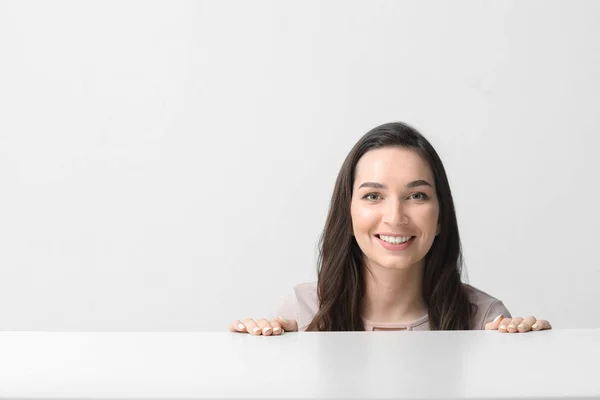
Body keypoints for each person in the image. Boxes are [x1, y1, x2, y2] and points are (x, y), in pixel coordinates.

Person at [228, 122, 552, 335]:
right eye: (373, 196)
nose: (395, 217)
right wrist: (254, 354)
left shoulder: (483, 320)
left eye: (417, 196)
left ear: (440, 216)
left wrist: (530, 355)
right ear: (349, 212)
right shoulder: (300, 312)